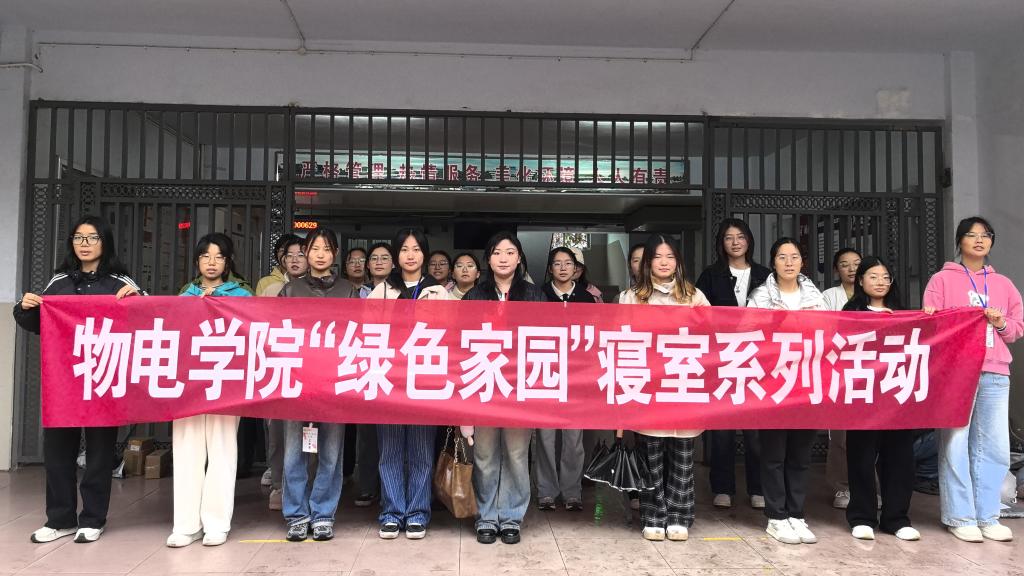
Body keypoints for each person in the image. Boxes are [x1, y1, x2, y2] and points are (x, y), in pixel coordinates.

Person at [14, 215, 142, 544]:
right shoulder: (59, 282)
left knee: (99, 455)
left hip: (102, 379)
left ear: (105, 242)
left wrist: (138, 300)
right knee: (58, 453)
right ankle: (60, 519)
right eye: (78, 238)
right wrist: (24, 307)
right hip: (64, 381)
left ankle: (93, 519)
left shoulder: (119, 281)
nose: (84, 244)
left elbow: (146, 321)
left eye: (92, 237)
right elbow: (37, 322)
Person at [924, 216, 1022, 543]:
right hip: (956, 371)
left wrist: (1001, 322)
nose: (979, 240)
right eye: (971, 234)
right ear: (960, 241)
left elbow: (1016, 329)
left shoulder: (1003, 284)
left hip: (995, 370)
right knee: (955, 442)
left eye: (985, 235)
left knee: (995, 446)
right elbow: (932, 325)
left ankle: (988, 515)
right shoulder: (941, 280)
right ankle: (960, 516)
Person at [620, 234, 709, 542]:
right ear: (647, 262)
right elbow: (621, 339)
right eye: (657, 257)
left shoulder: (694, 296)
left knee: (683, 455)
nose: (663, 262)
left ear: (678, 262)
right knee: (651, 455)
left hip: (684, 384)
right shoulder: (631, 297)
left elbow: (713, 332)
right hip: (648, 386)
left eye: (670, 256)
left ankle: (680, 515)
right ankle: (653, 515)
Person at [461, 231, 547, 545]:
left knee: (516, 455)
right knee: (484, 455)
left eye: (510, 252)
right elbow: (461, 345)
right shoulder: (474, 296)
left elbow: (546, 342)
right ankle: (486, 516)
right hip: (483, 385)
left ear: (519, 258)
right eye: (497, 252)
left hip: (519, 389)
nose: (503, 258)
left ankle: (511, 517)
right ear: (488, 259)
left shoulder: (535, 295)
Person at [167, 233, 251, 548]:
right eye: (205, 256)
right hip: (188, 384)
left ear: (228, 262)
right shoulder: (185, 294)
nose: (211, 262)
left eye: (218, 256)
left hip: (225, 382)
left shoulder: (243, 295)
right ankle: (186, 525)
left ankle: (216, 523)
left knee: (222, 451)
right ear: (197, 261)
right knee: (186, 451)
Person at [278, 228, 358, 542]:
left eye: (326, 248)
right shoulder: (290, 290)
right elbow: (276, 332)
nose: (320, 254)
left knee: (331, 452)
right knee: (293, 453)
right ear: (306, 253)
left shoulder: (348, 290)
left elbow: (357, 334)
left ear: (335, 253)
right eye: (314, 249)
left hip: (334, 384)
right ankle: (297, 515)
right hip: (297, 383)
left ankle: (323, 514)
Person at [369, 229, 449, 540]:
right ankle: (391, 512)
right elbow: (366, 333)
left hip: (424, 381)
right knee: (389, 451)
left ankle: (417, 512)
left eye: (416, 249)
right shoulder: (381, 292)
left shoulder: (438, 293)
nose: (411, 255)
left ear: (424, 254)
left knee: (420, 451)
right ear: (396, 255)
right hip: (388, 380)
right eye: (404, 249)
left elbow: (449, 336)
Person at [748, 237, 825, 545]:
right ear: (773, 262)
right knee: (774, 454)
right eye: (782, 257)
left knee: (800, 455)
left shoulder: (816, 297)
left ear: (802, 262)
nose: (789, 262)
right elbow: (748, 335)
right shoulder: (760, 296)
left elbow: (829, 334)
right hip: (774, 385)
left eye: (794, 256)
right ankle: (776, 517)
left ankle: (796, 514)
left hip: (807, 383)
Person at [841, 256, 920, 542]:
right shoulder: (850, 313)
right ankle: (862, 517)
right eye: (873, 276)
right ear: (860, 281)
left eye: (886, 277)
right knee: (861, 457)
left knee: (899, 458)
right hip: (863, 396)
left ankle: (896, 518)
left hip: (897, 395)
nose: (880, 282)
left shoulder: (904, 313)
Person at [695, 218, 770, 511]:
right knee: (722, 429)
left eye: (740, 237)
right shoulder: (711, 275)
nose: (735, 242)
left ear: (749, 240)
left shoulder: (765, 275)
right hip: (721, 359)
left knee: (756, 430)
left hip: (757, 360)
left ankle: (758, 487)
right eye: (729, 237)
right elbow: (699, 315)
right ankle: (722, 487)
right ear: (721, 243)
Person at [535, 248, 598, 512]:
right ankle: (546, 491)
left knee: (574, 438)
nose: (563, 268)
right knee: (545, 437)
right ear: (550, 268)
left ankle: (572, 492)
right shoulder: (538, 296)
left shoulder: (586, 298)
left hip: (576, 376)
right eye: (557, 264)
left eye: (568, 263)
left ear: (576, 269)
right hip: (544, 372)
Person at [260, 235, 308, 510]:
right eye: (290, 255)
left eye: (301, 254)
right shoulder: (271, 290)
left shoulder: (319, 290)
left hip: (309, 375)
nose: (295, 260)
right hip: (279, 371)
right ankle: (279, 486)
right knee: (278, 435)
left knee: (307, 436)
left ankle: (305, 488)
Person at [352, 242, 394, 507]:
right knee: (367, 433)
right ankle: (367, 485)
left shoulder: (402, 292)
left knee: (391, 433)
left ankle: (390, 489)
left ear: (394, 263)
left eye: (385, 258)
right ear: (368, 265)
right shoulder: (357, 293)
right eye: (374, 258)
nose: (379, 262)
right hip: (365, 364)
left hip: (394, 366)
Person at [821, 248, 862, 509]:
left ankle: (869, 487)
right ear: (837, 270)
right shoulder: (828, 296)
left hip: (870, 371)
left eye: (856, 263)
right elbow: (824, 331)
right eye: (845, 264)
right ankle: (842, 487)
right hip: (838, 371)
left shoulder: (874, 292)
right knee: (839, 436)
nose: (851, 268)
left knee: (869, 434)